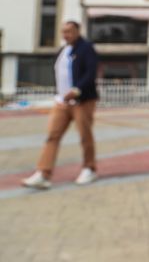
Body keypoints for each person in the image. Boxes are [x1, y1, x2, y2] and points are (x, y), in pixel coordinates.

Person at [22, 20, 99, 189]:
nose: (66, 35)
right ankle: (43, 173)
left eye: (69, 31)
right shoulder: (63, 50)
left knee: (85, 135)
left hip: (82, 100)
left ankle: (89, 168)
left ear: (78, 31)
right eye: (63, 31)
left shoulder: (86, 48)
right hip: (61, 102)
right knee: (52, 136)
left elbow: (90, 72)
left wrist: (77, 89)